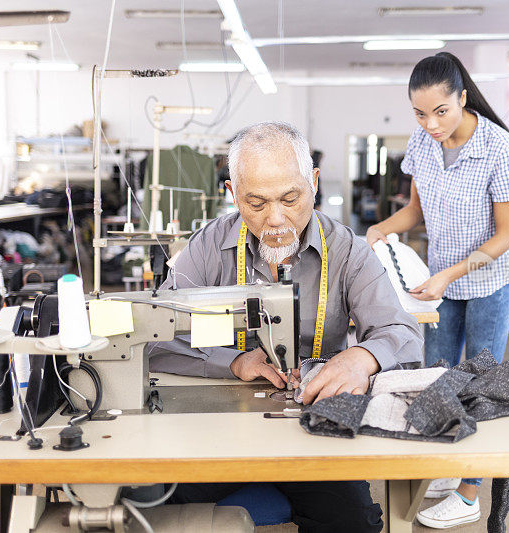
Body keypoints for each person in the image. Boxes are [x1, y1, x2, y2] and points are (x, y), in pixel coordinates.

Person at [148, 121, 424, 532]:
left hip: (310, 425)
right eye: (256, 203)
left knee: (355, 523)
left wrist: (361, 358)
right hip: (218, 424)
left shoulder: (348, 251)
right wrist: (234, 362)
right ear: (231, 194)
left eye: (291, 198)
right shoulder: (207, 247)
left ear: (313, 183)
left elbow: (403, 335)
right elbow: (158, 336)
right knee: (150, 505)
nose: (275, 219)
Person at [366, 52, 509, 529]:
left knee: (479, 382)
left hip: (487, 282)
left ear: (462, 98)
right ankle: (441, 463)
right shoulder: (422, 143)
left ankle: (470, 490)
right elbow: (415, 213)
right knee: (433, 375)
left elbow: (504, 236)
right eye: (419, 113)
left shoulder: (499, 149)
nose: (430, 123)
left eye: (441, 111)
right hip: (437, 284)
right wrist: (379, 229)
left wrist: (448, 275)